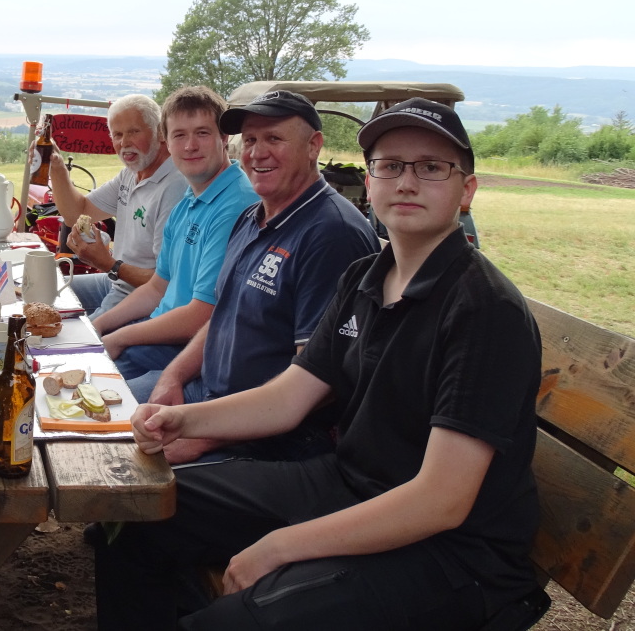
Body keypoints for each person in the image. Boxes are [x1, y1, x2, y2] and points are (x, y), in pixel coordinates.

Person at [95, 97, 542, 631]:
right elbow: (290, 396)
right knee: (140, 511)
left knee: (234, 619)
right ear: (370, 182)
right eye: (390, 166)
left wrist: (280, 545)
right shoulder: (365, 278)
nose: (406, 183)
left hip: (451, 552)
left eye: (430, 168)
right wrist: (181, 419)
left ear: (466, 191)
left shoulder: (483, 310)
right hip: (347, 484)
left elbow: (441, 501)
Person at [145, 89, 378, 461]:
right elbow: (224, 315)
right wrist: (172, 376)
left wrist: (202, 437)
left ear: (314, 146)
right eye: (251, 140)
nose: (257, 152)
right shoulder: (252, 217)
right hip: (206, 398)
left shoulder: (331, 234)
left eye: (274, 138)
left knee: (117, 470)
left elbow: (319, 384)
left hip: (266, 439)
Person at [86, 87, 255, 402]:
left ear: (224, 138)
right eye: (179, 135)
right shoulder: (190, 199)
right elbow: (157, 287)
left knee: (88, 397)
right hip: (158, 333)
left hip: (190, 352)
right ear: (166, 140)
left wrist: (119, 337)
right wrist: (98, 325)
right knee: (73, 367)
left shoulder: (236, 205)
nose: (190, 146)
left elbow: (201, 315)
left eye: (202, 133)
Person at [48, 94, 187, 316]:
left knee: (79, 333)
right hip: (117, 281)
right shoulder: (130, 174)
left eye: (133, 132)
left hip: (144, 299)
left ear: (161, 133)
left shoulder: (175, 187)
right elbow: (79, 212)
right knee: (46, 290)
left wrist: (108, 263)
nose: (124, 143)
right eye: (118, 135)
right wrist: (56, 167)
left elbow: (167, 283)